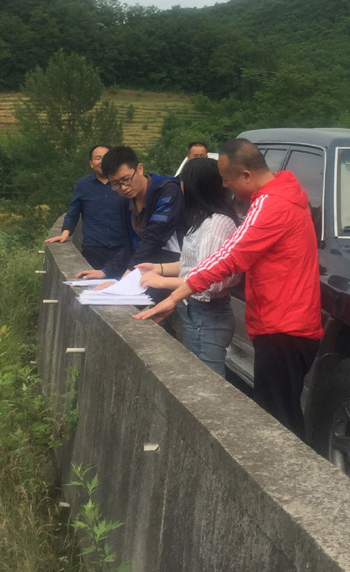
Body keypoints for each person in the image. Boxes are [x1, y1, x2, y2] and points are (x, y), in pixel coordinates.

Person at [134, 138, 322, 438]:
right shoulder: (283, 197)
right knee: (282, 412)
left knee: (277, 423)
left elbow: (230, 257)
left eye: (227, 179)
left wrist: (173, 297)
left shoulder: (272, 203)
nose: (225, 186)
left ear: (246, 175)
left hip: (282, 326)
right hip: (289, 324)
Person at [135, 156, 240, 376]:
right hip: (197, 312)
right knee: (197, 373)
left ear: (194, 187)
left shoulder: (216, 225)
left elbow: (209, 281)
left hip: (207, 314)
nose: (179, 189)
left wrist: (163, 282)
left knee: (206, 380)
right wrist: (158, 269)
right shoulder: (203, 220)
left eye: (182, 183)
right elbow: (193, 266)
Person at [73, 146, 183, 287]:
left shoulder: (167, 191)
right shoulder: (126, 200)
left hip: (173, 269)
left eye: (126, 179)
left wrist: (126, 278)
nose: (123, 187)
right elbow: (131, 245)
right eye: (116, 184)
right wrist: (106, 271)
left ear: (139, 169)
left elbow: (153, 238)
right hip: (146, 269)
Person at [45, 144, 125, 269]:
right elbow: (73, 213)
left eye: (106, 157)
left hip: (123, 249)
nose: (102, 161)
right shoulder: (82, 185)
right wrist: (65, 234)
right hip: (93, 250)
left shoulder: (124, 184)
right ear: (91, 163)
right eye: (97, 158)